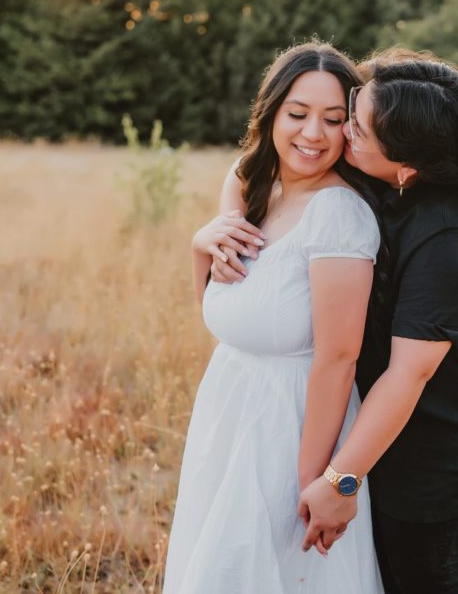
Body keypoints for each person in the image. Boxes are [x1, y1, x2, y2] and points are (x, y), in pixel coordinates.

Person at [211, 48, 458, 594]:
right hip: (352, 423)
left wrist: (339, 479)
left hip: (425, 455)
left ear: (406, 165)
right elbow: (252, 167)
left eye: (355, 127)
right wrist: (217, 226)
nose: (340, 134)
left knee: (415, 581)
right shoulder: (381, 178)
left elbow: (408, 374)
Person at [163, 42, 385, 593]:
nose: (313, 134)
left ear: (351, 129)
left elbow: (338, 358)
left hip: (293, 426)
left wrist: (316, 479)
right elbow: (226, 313)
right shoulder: (247, 181)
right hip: (228, 406)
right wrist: (199, 247)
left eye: (334, 120)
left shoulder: (339, 215)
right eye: (298, 114)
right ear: (271, 113)